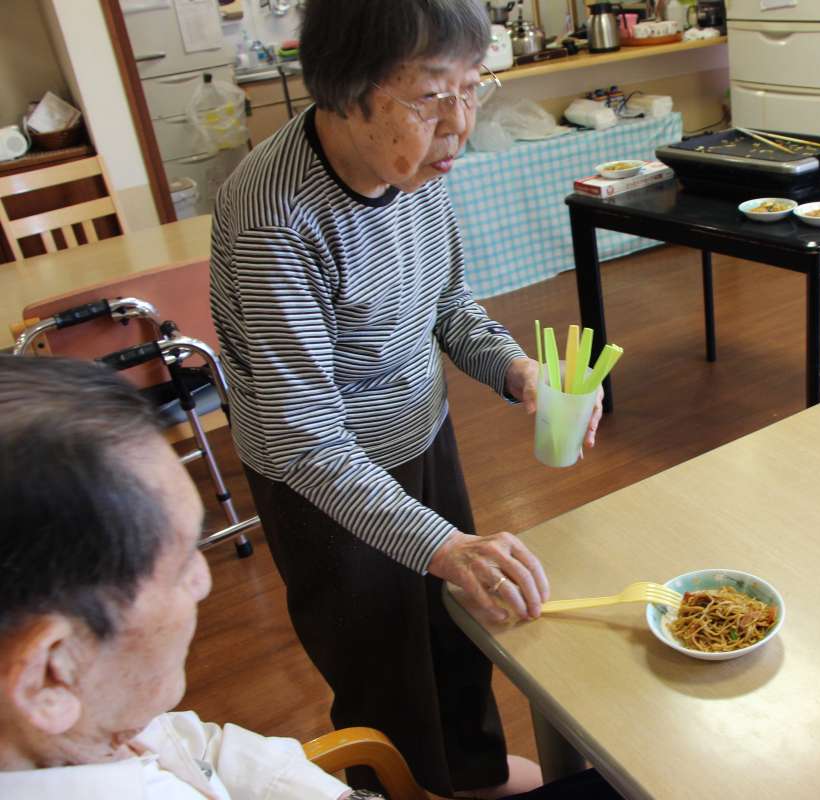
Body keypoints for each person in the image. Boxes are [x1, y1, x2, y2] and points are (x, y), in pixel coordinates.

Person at [207, 0, 602, 796]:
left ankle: (472, 775)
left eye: (472, 87)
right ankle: (404, 787)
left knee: (456, 628)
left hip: (420, 432)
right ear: (344, 92)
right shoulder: (271, 215)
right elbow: (306, 441)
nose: (459, 125)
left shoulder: (416, 165)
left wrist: (518, 371)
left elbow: (447, 304)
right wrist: (445, 545)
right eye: (430, 97)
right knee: (381, 664)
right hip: (321, 479)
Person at [0, 356, 621, 800]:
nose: (204, 583)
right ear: (49, 674)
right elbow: (305, 440)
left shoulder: (98, 720)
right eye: (183, 563)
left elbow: (195, 747)